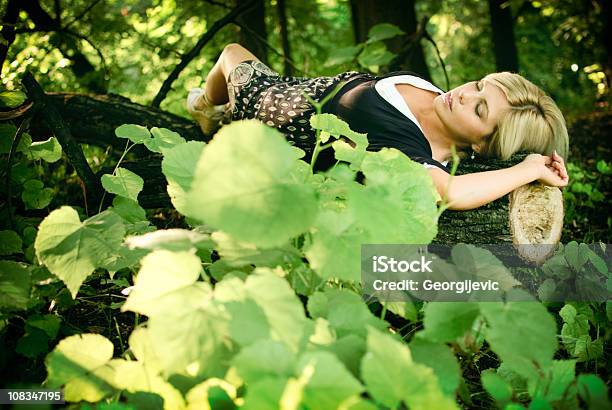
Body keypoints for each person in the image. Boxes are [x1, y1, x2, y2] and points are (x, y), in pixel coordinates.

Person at [187, 43, 569, 210]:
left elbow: (450, 192)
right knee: (232, 53)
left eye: (480, 109)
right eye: (479, 85)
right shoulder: (441, 98)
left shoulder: (409, 148)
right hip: (294, 89)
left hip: (267, 110)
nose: (466, 94)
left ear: (483, 146)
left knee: (230, 55)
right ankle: (211, 110)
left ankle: (212, 114)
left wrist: (530, 167)